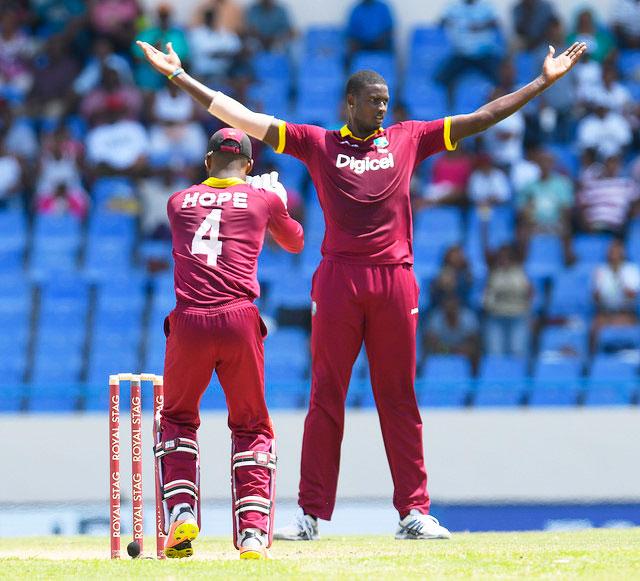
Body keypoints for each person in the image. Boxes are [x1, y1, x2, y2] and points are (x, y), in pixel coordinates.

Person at [136, 36, 586, 540]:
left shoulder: (409, 137)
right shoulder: (317, 142)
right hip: (338, 280)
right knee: (325, 395)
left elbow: (480, 118)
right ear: (350, 102)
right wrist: (179, 77)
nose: (383, 108)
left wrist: (540, 84)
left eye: (386, 102)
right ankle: (308, 516)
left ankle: (413, 512)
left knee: (398, 396)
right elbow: (242, 118)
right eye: (374, 101)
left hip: (395, 278)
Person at [157, 127, 303, 559]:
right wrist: (278, 199)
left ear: (206, 162)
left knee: (179, 420)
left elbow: (213, 210)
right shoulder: (262, 200)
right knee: (251, 425)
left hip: (189, 323)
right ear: (251, 165)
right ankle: (254, 534)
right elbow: (294, 241)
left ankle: (182, 511)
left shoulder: (177, 203)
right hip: (240, 320)